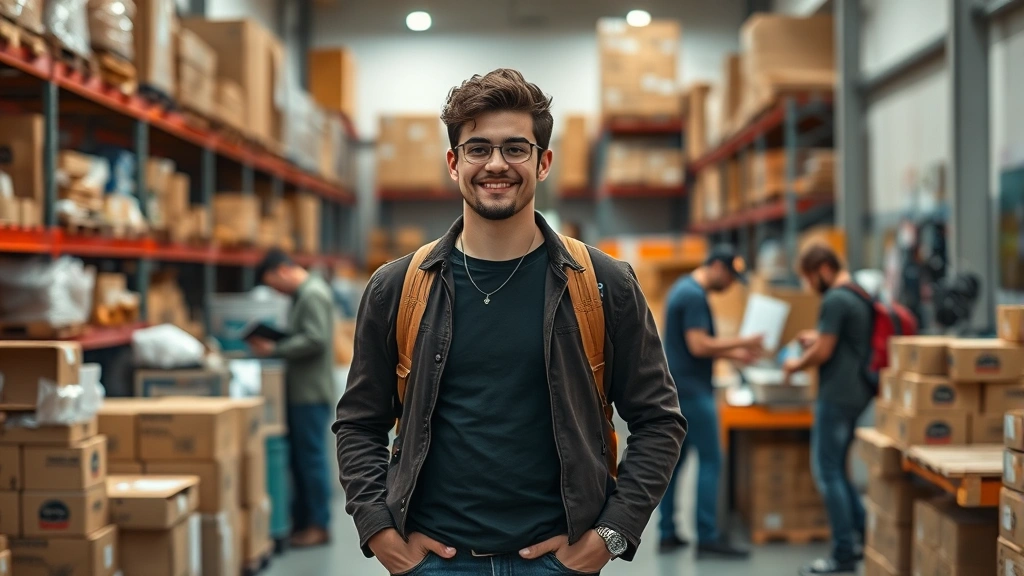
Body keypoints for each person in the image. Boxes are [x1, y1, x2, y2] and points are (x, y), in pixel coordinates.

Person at [334, 69, 686, 576]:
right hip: (435, 561)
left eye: (515, 149)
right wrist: (380, 531)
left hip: (558, 561)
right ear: (453, 163)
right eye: (478, 149)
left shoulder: (605, 284)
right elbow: (359, 423)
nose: (496, 164)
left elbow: (659, 421)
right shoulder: (397, 287)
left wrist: (609, 536)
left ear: (543, 162)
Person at [657, 246, 763, 559]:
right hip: (692, 392)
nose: (731, 283)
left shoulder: (684, 289)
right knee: (712, 459)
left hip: (679, 389)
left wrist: (735, 354)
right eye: (730, 275)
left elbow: (696, 346)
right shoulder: (693, 295)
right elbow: (699, 345)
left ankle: (667, 533)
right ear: (717, 266)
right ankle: (708, 536)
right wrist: (744, 341)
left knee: (678, 463)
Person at [783, 244, 873, 576]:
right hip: (857, 393)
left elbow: (825, 351)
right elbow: (838, 340)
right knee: (839, 470)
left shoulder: (835, 298)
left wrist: (796, 365)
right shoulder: (859, 292)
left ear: (822, 267)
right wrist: (818, 337)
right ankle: (865, 536)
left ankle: (843, 554)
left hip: (837, 395)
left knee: (827, 471)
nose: (809, 287)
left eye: (809, 278)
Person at [251, 249, 336, 548]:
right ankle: (304, 523)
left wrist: (275, 349)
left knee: (311, 460)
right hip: (302, 391)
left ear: (283, 270)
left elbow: (316, 338)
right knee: (301, 460)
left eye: (272, 283)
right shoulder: (304, 294)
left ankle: (318, 524)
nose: (275, 290)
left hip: (310, 393)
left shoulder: (312, 294)